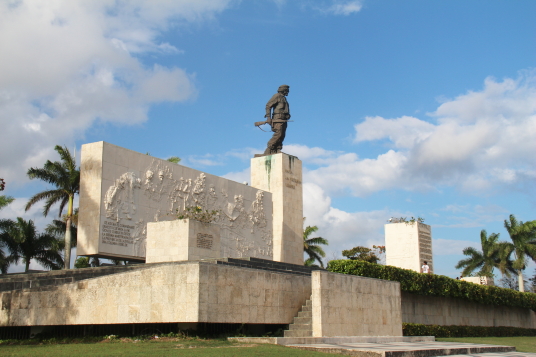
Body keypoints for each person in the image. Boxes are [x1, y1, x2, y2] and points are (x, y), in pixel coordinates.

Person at [263, 84, 290, 155]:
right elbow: (268, 106)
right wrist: (268, 117)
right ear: (284, 90)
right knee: (278, 133)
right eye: (287, 90)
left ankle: (277, 149)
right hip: (277, 118)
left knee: (282, 135)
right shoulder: (277, 96)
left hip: (284, 119)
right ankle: (269, 148)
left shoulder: (284, 98)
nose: (288, 92)